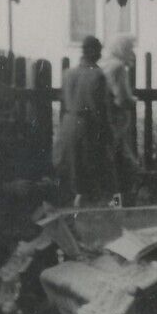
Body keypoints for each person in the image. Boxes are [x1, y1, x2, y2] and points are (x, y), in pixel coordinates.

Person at [52, 36, 113, 206]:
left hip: (67, 123)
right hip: (87, 125)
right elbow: (100, 108)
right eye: (99, 50)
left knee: (72, 167)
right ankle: (92, 208)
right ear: (92, 51)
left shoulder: (68, 73)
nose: (101, 54)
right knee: (89, 168)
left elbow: (63, 102)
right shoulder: (97, 75)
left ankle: (73, 203)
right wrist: (106, 134)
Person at [102, 33, 142, 204]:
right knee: (126, 163)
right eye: (130, 48)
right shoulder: (118, 67)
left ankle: (115, 200)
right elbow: (122, 98)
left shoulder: (103, 64)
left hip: (105, 120)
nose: (132, 52)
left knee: (113, 161)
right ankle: (123, 202)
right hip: (116, 120)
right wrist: (133, 100)